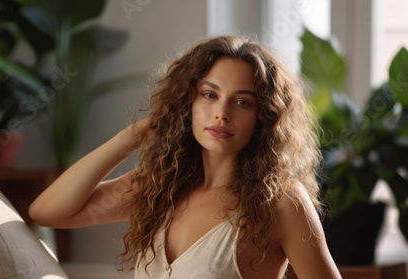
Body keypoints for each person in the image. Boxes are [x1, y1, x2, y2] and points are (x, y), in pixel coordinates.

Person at [29, 35, 342, 279]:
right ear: (187, 102)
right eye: (209, 95)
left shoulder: (281, 203)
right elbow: (47, 212)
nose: (222, 114)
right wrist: (134, 135)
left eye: (242, 102)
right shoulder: (156, 187)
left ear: (264, 117)